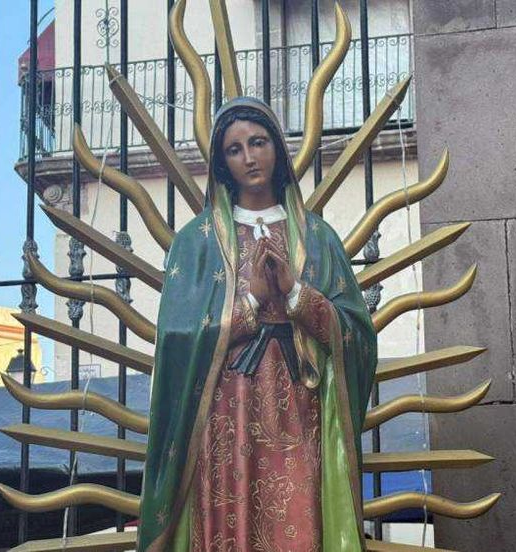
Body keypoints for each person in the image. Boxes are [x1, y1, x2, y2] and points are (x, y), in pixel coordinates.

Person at [137, 97, 377, 551]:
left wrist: (295, 295)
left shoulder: (317, 238)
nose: (249, 157)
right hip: (227, 409)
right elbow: (176, 340)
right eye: (234, 149)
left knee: (299, 522)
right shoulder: (197, 242)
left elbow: (357, 334)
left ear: (277, 150)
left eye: (258, 142)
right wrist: (249, 301)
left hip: (300, 411)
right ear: (222, 164)